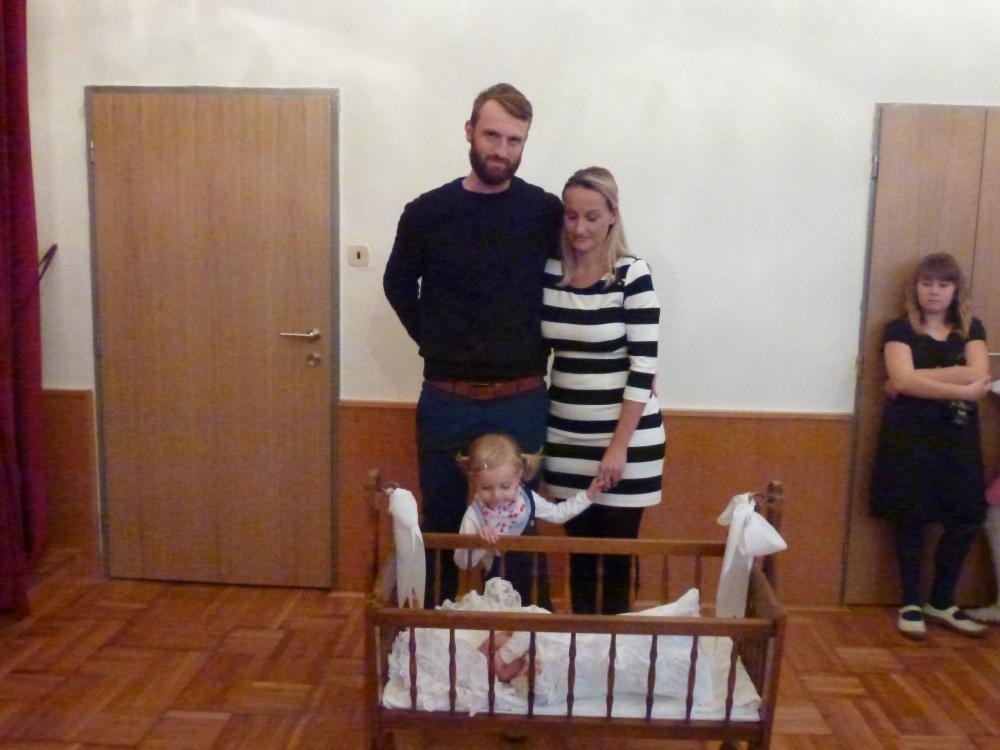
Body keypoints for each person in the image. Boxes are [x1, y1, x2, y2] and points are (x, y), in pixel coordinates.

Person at [383, 84, 563, 605]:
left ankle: (521, 639)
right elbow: (398, 284)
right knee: (441, 524)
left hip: (522, 397)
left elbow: (577, 275)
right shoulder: (427, 212)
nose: (501, 150)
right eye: (491, 135)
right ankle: (434, 637)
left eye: (514, 140)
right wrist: (435, 341)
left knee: (519, 532)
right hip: (447, 397)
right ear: (469, 131)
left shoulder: (544, 211)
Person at [541, 167, 666, 615]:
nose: (580, 228)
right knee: (579, 559)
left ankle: (614, 652)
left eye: (592, 216)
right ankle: (581, 650)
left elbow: (644, 366)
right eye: (571, 215)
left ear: (613, 214)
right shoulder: (549, 271)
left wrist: (617, 448)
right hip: (565, 437)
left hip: (627, 441)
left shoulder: (632, 274)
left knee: (615, 562)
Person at [869, 252, 992, 640]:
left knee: (966, 516)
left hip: (958, 438)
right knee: (912, 516)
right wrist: (959, 385)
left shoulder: (971, 328)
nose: (934, 291)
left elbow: (979, 373)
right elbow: (902, 380)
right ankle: (910, 603)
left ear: (955, 290)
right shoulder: (898, 329)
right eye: (926, 283)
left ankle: (941, 601)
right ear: (916, 287)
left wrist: (917, 380)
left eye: (943, 284)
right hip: (910, 437)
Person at [453, 433, 598, 608]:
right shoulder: (475, 514)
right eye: (486, 487)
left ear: (518, 476)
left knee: (538, 620)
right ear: (474, 480)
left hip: (535, 582)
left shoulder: (527, 500)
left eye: (505, 486)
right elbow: (463, 562)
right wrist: (480, 542)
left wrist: (588, 496)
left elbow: (558, 514)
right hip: (500, 592)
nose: (496, 495)